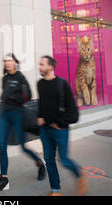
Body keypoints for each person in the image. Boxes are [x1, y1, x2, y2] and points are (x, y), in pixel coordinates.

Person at [0, 53, 46, 192]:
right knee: (2, 146)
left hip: (18, 115)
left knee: (23, 147)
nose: (7, 63)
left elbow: (29, 96)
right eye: (6, 61)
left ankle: (40, 164)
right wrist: (6, 95)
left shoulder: (20, 77)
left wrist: (13, 96)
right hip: (5, 115)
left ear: (15, 62)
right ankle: (4, 178)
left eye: (10, 60)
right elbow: (4, 97)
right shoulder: (5, 78)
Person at [37, 55, 88, 196]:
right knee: (49, 160)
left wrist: (60, 123)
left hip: (60, 130)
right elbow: (42, 104)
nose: (39, 67)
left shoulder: (62, 83)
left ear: (51, 67)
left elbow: (73, 112)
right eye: (39, 64)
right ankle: (56, 191)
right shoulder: (40, 84)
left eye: (42, 64)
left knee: (64, 160)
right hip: (45, 130)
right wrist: (40, 117)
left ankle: (79, 174)